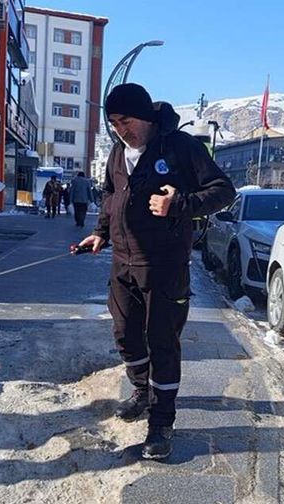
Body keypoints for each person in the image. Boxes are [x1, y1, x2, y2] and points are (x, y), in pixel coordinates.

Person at [77, 83, 235, 459]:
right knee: (125, 334)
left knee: (162, 342)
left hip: (164, 266)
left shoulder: (181, 147)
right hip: (123, 263)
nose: (120, 129)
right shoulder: (118, 152)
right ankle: (142, 390)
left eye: (126, 120)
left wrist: (179, 203)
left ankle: (161, 422)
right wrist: (99, 234)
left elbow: (223, 191)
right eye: (114, 122)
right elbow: (110, 197)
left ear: (146, 117)